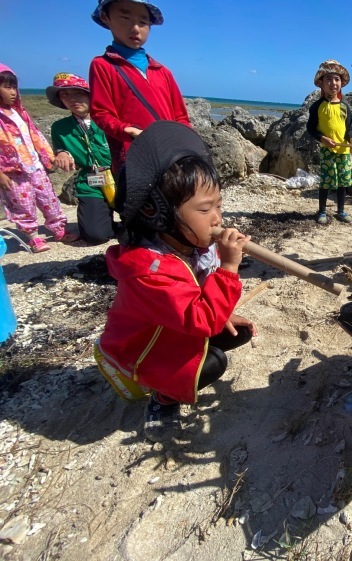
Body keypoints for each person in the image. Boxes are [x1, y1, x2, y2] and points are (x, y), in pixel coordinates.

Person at [94, 121, 257, 442]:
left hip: (171, 328)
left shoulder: (186, 247)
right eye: (205, 209)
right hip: (136, 352)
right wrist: (228, 266)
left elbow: (199, 299)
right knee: (212, 364)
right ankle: (162, 399)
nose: (217, 219)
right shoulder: (148, 269)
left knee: (241, 331)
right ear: (159, 214)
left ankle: (173, 372)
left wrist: (221, 312)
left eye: (219, 206)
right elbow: (199, 318)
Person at [88, 0, 190, 178]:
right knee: (141, 204)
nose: (135, 28)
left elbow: (180, 116)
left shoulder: (162, 71)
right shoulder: (103, 65)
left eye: (143, 22)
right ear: (106, 18)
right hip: (132, 156)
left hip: (169, 155)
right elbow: (101, 113)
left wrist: (186, 144)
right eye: (125, 18)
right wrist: (128, 131)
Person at [0, 64, 75, 253]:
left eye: (14, 87)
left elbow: (36, 136)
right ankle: (33, 236)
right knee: (22, 204)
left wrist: (50, 157)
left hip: (35, 166)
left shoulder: (19, 113)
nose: (13, 92)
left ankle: (58, 229)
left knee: (48, 199)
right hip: (13, 171)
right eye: (7, 87)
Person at [47, 73, 117, 245]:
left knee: (145, 226)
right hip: (90, 181)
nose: (72, 99)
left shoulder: (110, 119)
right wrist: (61, 152)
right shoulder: (59, 128)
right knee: (95, 235)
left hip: (120, 175)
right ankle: (108, 222)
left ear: (89, 95)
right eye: (65, 95)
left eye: (77, 93)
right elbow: (59, 148)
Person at [306, 60, 352, 225]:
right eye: (328, 79)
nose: (333, 83)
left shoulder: (345, 107)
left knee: (343, 182)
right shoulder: (317, 107)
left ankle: (340, 210)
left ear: (341, 83)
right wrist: (323, 139)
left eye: (337, 79)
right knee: (326, 182)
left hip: (344, 151)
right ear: (321, 83)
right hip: (327, 150)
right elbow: (311, 128)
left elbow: (349, 128)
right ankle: (321, 211)